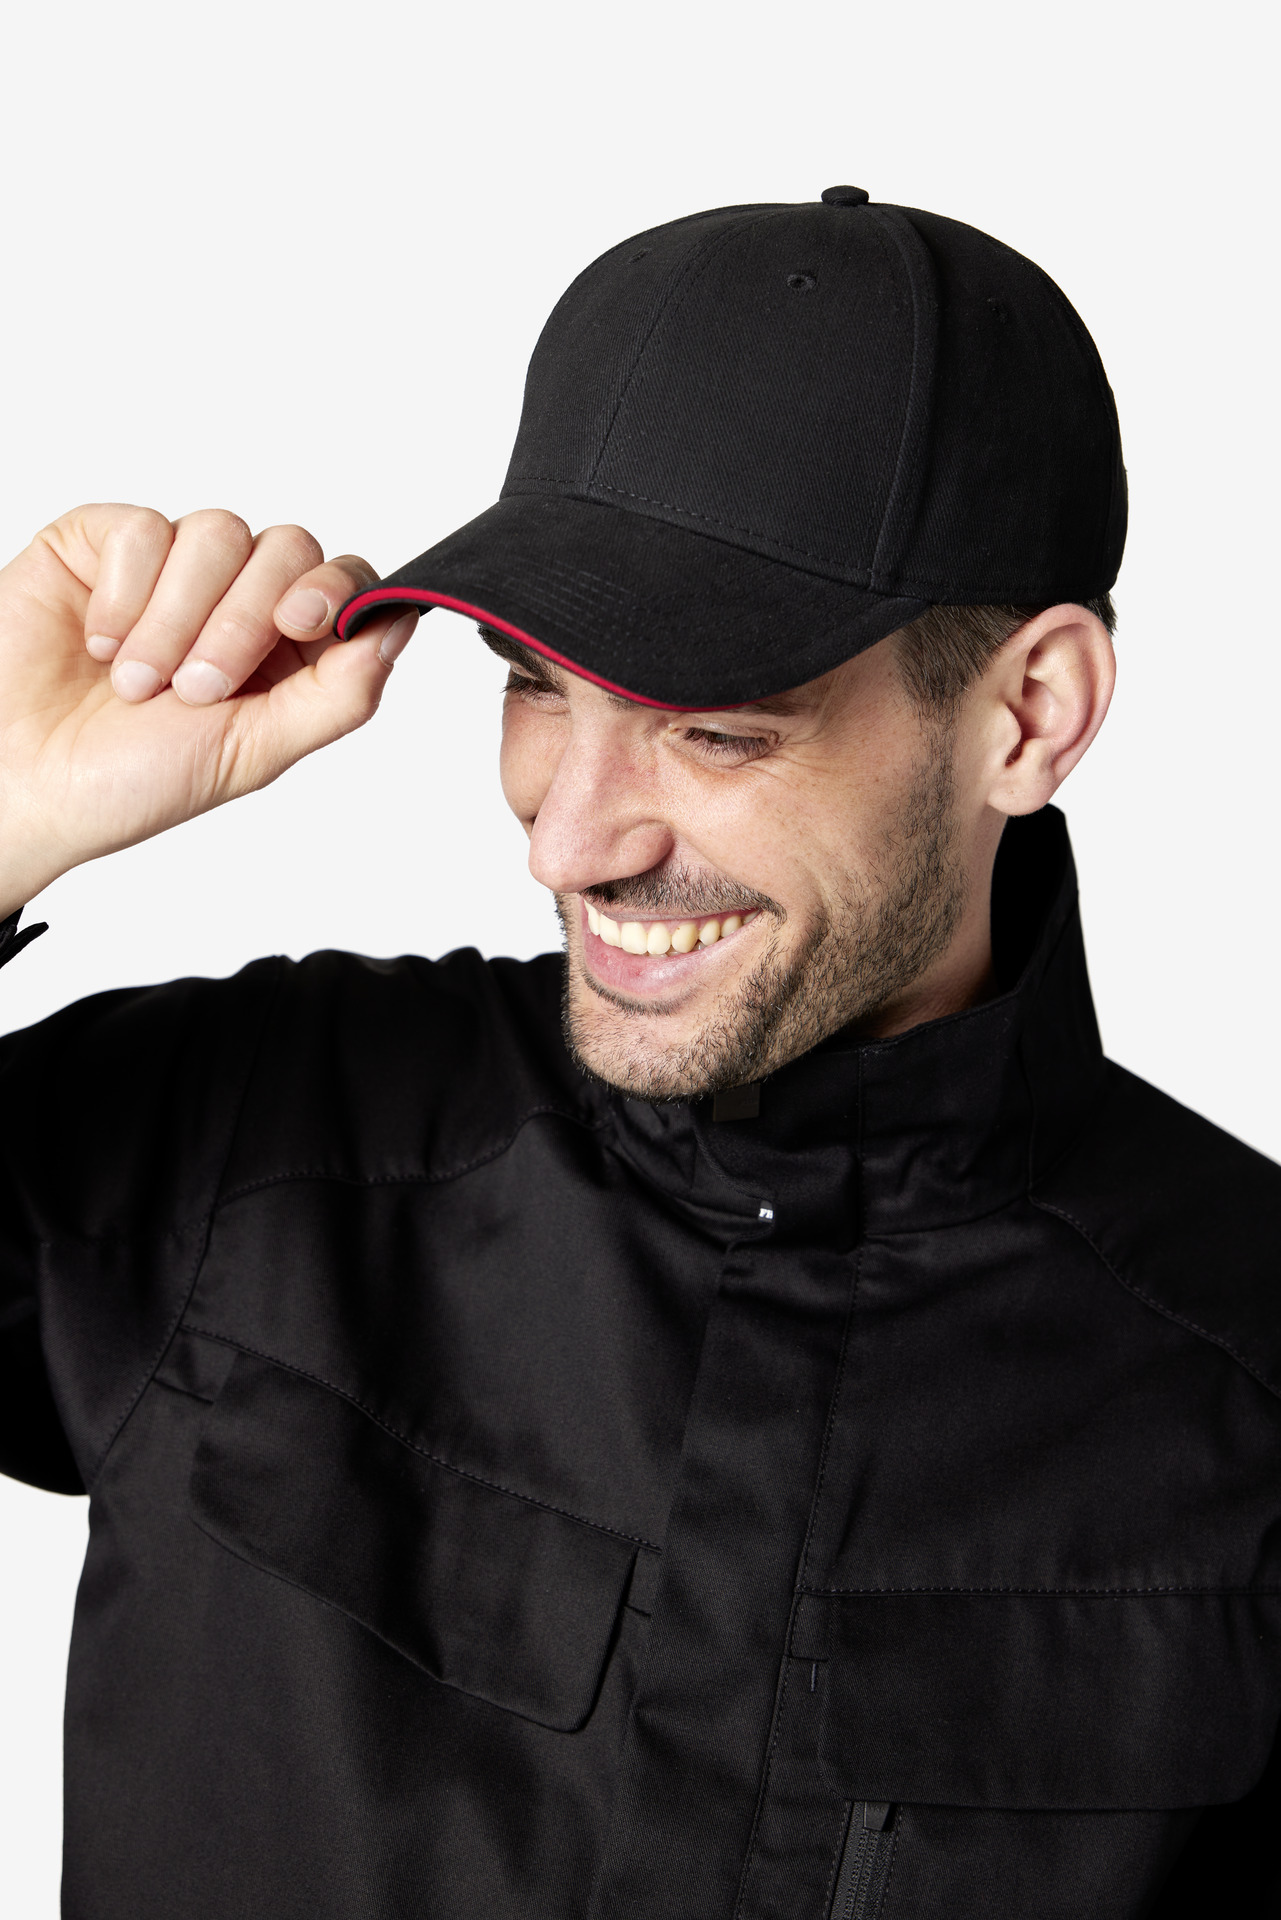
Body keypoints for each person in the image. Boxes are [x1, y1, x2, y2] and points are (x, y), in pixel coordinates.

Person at [0, 188, 1277, 1920]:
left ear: (1029, 714)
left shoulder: (1247, 1381)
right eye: (533, 685)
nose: (568, 837)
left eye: (712, 728)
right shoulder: (257, 1137)